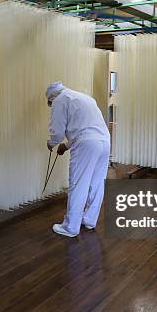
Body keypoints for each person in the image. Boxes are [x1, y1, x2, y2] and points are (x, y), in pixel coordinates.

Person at [45, 81, 111, 238]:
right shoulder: (84, 97)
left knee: (78, 183)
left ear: (52, 97)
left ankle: (70, 227)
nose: (51, 105)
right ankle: (89, 219)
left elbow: (58, 131)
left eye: (49, 103)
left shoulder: (60, 99)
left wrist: (52, 142)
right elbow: (85, 128)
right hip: (104, 141)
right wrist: (66, 146)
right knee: (97, 182)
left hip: (87, 144)